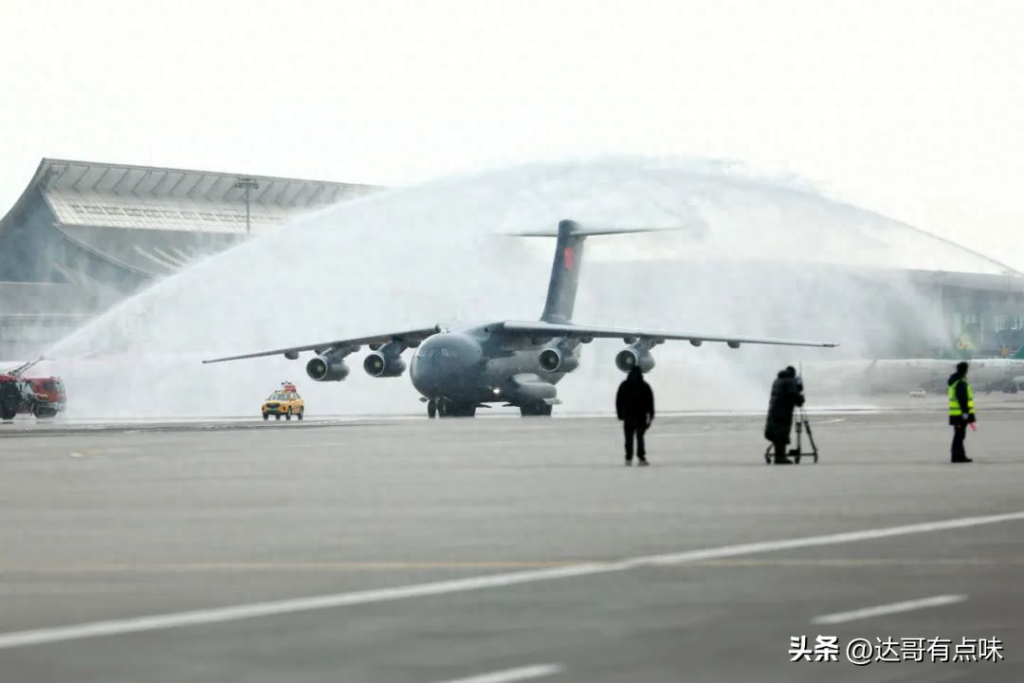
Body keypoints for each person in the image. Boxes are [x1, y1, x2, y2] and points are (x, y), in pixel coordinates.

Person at [764, 366, 805, 465]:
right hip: (783, 411)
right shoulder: (789, 381)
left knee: (777, 432)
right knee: (781, 433)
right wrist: (800, 399)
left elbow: (785, 393)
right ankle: (780, 457)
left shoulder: (777, 380)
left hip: (774, 410)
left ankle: (780, 455)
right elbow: (792, 395)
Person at [616, 366, 655, 466]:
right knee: (640, 437)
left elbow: (619, 401)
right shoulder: (644, 386)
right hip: (641, 416)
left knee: (628, 438)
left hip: (628, 416)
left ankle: (628, 459)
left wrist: (620, 414)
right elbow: (650, 402)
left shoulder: (624, 385)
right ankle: (641, 458)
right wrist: (651, 415)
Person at [948, 361, 975, 463]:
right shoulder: (960, 382)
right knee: (959, 436)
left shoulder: (955, 381)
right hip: (960, 414)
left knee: (959, 435)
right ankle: (956, 457)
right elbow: (962, 398)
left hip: (956, 414)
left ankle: (960, 456)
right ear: (965, 370)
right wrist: (965, 412)